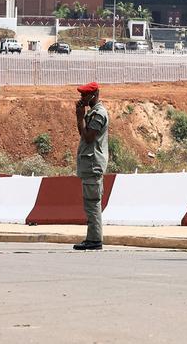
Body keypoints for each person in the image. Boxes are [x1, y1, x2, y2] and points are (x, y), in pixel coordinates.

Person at [72, 81, 109, 251]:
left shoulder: (99, 114)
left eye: (84, 95)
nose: (82, 98)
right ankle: (92, 238)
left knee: (93, 203)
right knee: (90, 203)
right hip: (90, 164)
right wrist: (81, 117)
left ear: (94, 95)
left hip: (93, 164)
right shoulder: (93, 113)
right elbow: (84, 134)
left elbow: (88, 137)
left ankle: (94, 240)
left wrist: (80, 117)